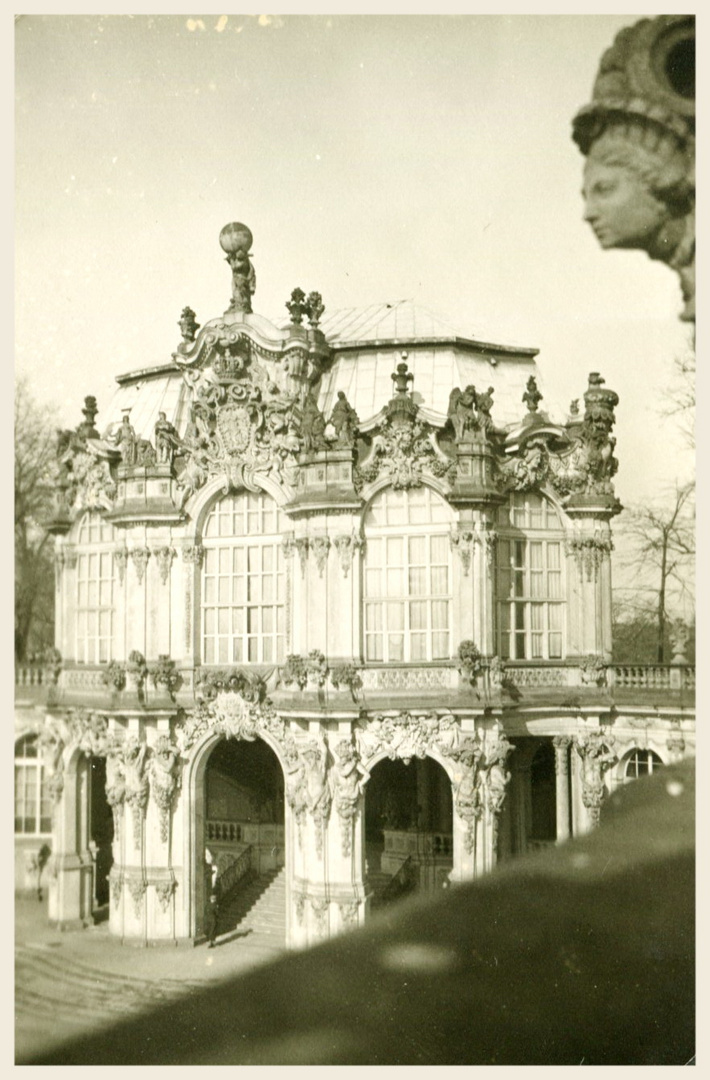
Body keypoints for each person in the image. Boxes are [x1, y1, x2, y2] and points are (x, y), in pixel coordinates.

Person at [204, 848, 220, 948]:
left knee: (210, 929)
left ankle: (210, 941)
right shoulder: (213, 905)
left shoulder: (209, 904)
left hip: (209, 919)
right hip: (213, 919)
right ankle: (211, 942)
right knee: (213, 930)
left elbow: (206, 910)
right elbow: (216, 912)